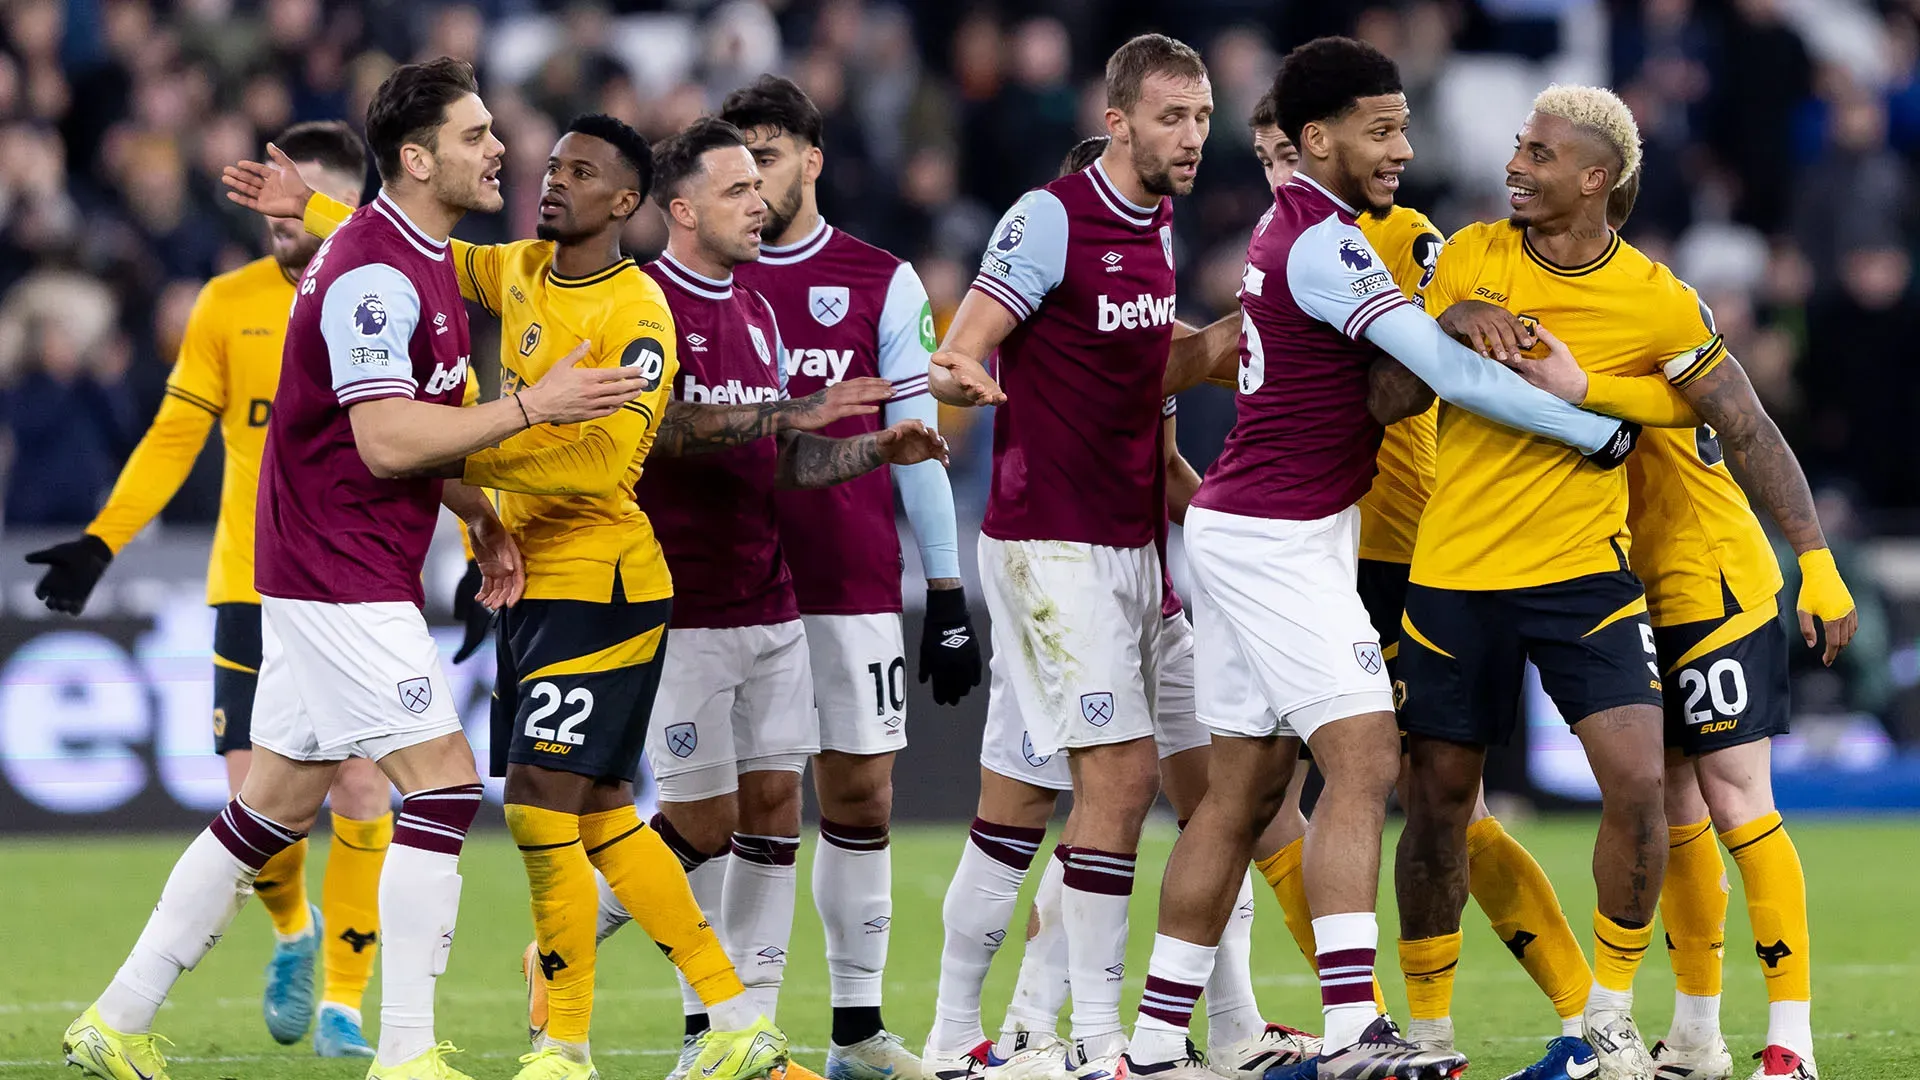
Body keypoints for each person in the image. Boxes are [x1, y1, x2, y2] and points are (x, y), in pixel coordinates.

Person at [225, 113, 888, 1080]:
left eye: (580, 172)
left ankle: (569, 1043)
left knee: (541, 808)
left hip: (606, 584)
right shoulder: (520, 268)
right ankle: (733, 1020)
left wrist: (450, 443)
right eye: (554, 165)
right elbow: (418, 252)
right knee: (604, 813)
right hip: (534, 581)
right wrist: (320, 211)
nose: (551, 180)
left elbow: (602, 457)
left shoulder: (638, 314)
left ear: (627, 203)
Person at [59, 57, 646, 1080]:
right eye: (474, 137)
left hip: (333, 568)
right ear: (418, 160)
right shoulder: (377, 274)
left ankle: (113, 1019)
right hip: (336, 574)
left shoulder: (415, 256)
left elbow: (420, 416)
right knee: (448, 790)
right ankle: (409, 1054)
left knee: (268, 809)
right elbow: (381, 440)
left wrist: (477, 516)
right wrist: (531, 406)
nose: (499, 149)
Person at [1129, 37, 1637, 1080]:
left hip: (1250, 526)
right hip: (1280, 539)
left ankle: (1148, 1042)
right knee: (1364, 759)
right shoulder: (1327, 243)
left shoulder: (1298, 229)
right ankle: (1357, 1028)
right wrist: (1599, 432)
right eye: (1381, 129)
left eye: (1403, 125)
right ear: (1318, 141)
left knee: (1241, 795)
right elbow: (1446, 373)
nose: (1403, 146)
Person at [1392, 82, 1846, 1080]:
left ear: (1598, 177)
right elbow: (1405, 377)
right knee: (1663, 805)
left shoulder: (1654, 298)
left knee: (1715, 797)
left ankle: (1777, 1038)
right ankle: (1686, 1034)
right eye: (1516, 146)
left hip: (1687, 575)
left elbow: (1740, 418)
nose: (1514, 164)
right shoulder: (1471, 255)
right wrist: (1448, 312)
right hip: (1513, 567)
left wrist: (1816, 563)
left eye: (1540, 152)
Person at [923, 134, 1310, 1080]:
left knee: (1212, 804)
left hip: (1148, 585)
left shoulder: (1153, 279)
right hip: (1054, 568)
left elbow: (1170, 469)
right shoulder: (1059, 269)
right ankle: (996, 1031)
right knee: (1039, 810)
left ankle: (1230, 1022)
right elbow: (958, 356)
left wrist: (1247, 535)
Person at [1240, 94, 1604, 1080]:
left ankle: (1584, 1022)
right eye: (1267, 157)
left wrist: (1448, 325)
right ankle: (1359, 1024)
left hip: (1399, 549)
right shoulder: (1276, 247)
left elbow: (1431, 367)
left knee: (1441, 794)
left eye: (1292, 152)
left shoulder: (1404, 239)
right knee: (1263, 789)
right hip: (1306, 546)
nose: (1282, 174)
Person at [28, 121, 390, 1060]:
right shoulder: (227, 305)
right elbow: (174, 434)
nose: (276, 208)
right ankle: (293, 933)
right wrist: (104, 542)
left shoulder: (378, 302)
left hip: (352, 589)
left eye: (300, 191)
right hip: (251, 585)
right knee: (255, 809)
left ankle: (347, 1004)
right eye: (268, 187)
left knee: (359, 784)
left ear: (349, 202)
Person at [592, 116, 944, 1080]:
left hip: (769, 600)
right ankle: (566, 936)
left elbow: (782, 456)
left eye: (762, 185)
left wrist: (881, 445)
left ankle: (737, 1040)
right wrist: (802, 407)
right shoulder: (640, 302)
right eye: (739, 189)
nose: (760, 203)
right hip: (681, 605)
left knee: (775, 813)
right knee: (701, 826)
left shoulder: (756, 312)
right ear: (682, 207)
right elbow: (661, 430)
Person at [719, 74, 983, 1080]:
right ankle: (739, 1032)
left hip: (855, 581)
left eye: (771, 158)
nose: (754, 181)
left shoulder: (882, 280)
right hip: (740, 587)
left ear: (814, 160)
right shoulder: (710, 280)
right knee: (760, 809)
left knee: (862, 798)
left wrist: (948, 593)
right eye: (738, 165)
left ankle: (857, 1034)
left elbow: (914, 440)